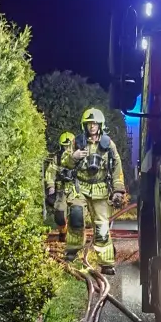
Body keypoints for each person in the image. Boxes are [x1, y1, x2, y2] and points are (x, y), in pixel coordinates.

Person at [66, 108, 126, 274]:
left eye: (95, 123)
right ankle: (72, 251)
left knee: (102, 227)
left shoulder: (108, 144)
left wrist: (118, 190)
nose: (92, 126)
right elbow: (64, 162)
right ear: (84, 125)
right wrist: (73, 157)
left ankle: (106, 263)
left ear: (100, 125)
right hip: (80, 187)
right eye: (89, 124)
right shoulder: (77, 142)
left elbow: (117, 167)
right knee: (76, 216)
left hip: (100, 188)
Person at [44, 131, 77, 242]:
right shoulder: (57, 158)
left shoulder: (80, 156)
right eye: (64, 146)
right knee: (59, 215)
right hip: (61, 189)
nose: (67, 148)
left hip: (76, 190)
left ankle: (76, 237)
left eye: (69, 146)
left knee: (77, 213)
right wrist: (51, 187)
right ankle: (63, 232)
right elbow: (50, 172)